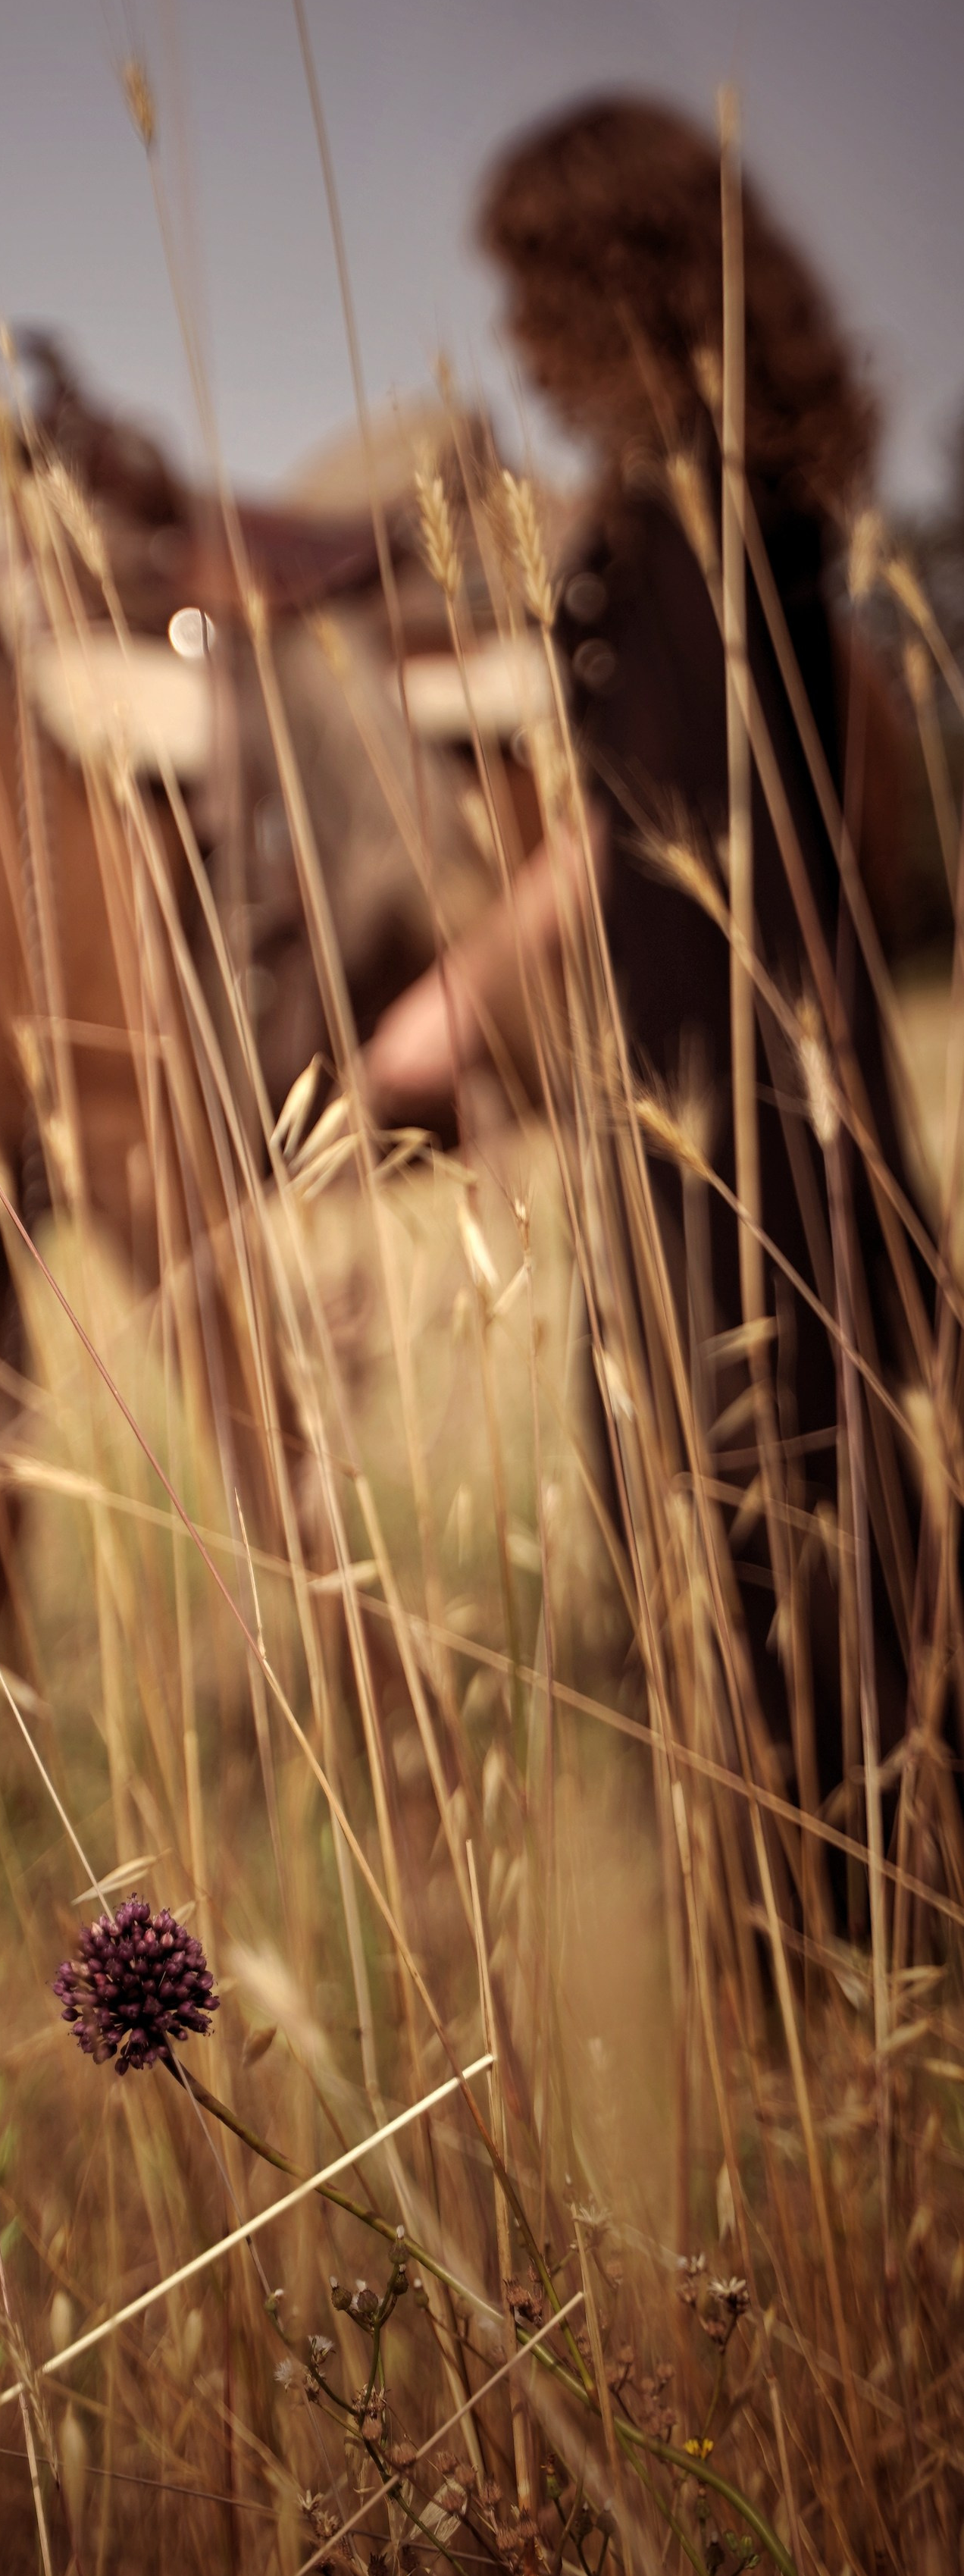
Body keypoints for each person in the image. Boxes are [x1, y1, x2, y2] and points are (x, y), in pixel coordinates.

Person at [364, 94, 950, 1860]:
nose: (520, 350)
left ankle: (817, 1948)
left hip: (719, 1149)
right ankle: (853, 1908)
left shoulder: (685, 536)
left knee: (752, 1540)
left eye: (536, 296)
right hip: (789, 1107)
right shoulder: (762, 517)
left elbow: (635, 839)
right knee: (825, 1532)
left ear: (617, 283)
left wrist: (446, 1009)